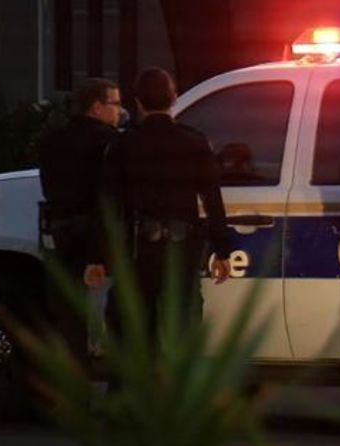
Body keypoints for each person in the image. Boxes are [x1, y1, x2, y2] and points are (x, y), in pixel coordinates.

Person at [83, 68, 231, 343]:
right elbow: (212, 198)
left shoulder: (123, 144)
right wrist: (222, 250)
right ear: (173, 98)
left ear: (137, 102)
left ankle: (140, 384)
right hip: (182, 250)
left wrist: (96, 257)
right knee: (182, 331)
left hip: (139, 253)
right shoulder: (194, 141)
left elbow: (107, 205)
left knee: (136, 334)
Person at [38, 78, 123, 365]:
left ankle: (72, 392)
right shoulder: (110, 142)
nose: (119, 111)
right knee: (111, 311)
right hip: (95, 236)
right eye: (114, 103)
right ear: (97, 107)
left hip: (58, 233)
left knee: (68, 316)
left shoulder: (52, 141)